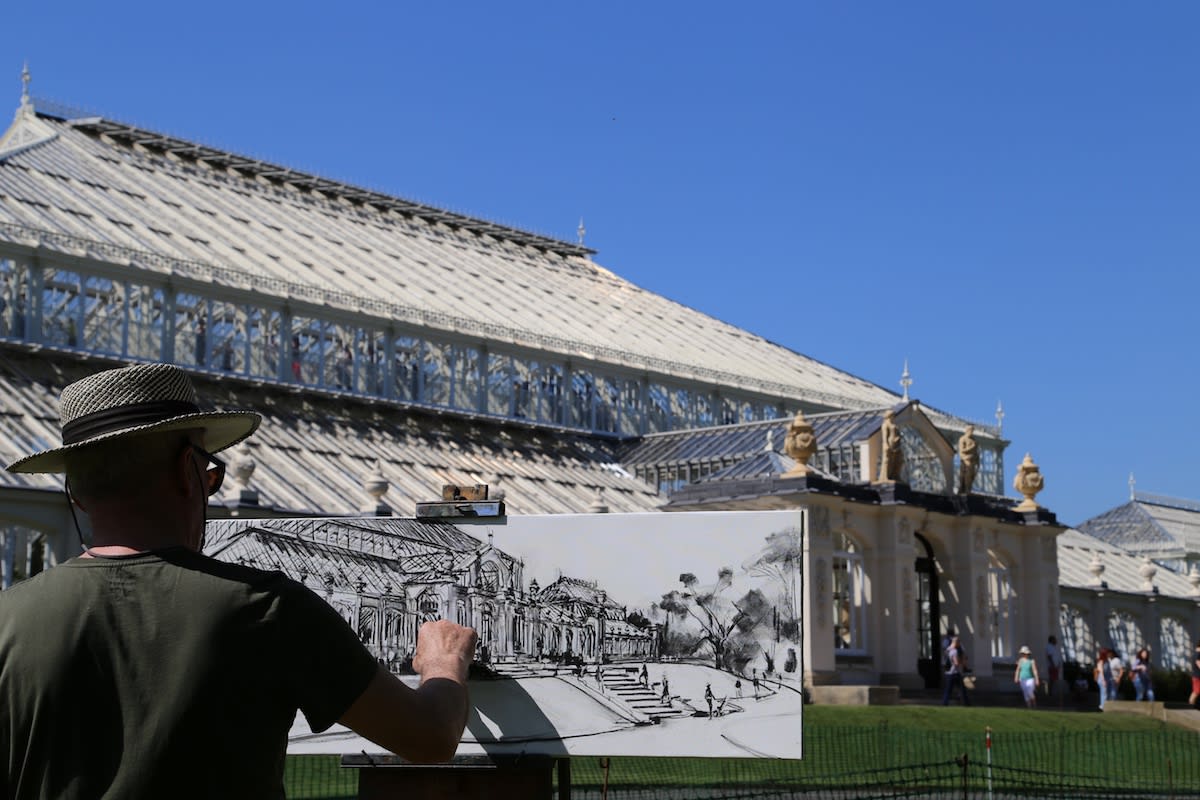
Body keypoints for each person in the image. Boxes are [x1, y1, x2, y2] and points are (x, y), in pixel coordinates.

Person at [0, 363, 478, 798]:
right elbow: (428, 736)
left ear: (76, 494)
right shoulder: (267, 608)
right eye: (210, 474)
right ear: (190, 471)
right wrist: (443, 664)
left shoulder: (9, 618)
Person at [942, 635, 971, 706]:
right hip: (954, 673)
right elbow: (956, 663)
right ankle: (966, 704)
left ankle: (945, 703)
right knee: (962, 689)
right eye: (959, 642)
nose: (959, 644)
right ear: (956, 642)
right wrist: (962, 661)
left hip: (948, 673)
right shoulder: (954, 651)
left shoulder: (948, 649)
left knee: (948, 690)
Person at [1045, 635, 1063, 701]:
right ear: (1052, 640)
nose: (1056, 641)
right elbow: (1049, 656)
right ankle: (1050, 692)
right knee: (1052, 679)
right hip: (1052, 666)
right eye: (1055, 639)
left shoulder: (1054, 647)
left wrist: (1058, 664)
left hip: (1055, 665)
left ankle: (1053, 692)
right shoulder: (1049, 647)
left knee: (1055, 679)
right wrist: (1053, 664)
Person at [1190, 642, 1200, 708]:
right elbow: (1198, 663)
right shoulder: (1198, 654)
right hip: (1197, 676)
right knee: (1196, 692)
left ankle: (1192, 705)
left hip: (1196, 676)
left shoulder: (1195, 654)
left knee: (1196, 691)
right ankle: (1190, 706)